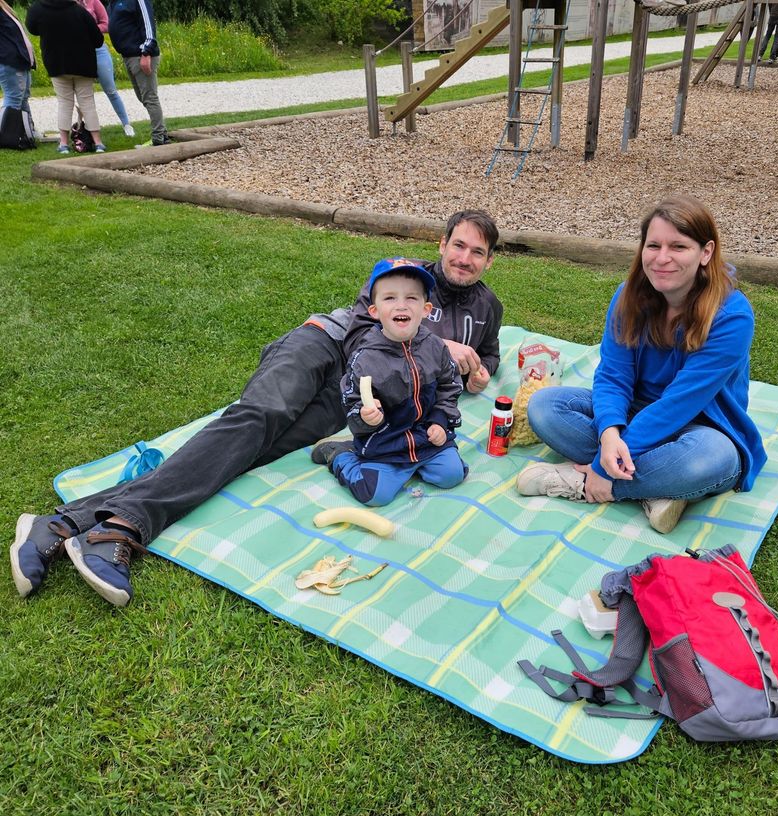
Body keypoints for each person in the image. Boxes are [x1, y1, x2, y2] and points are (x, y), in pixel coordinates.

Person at [10, 210, 502, 606]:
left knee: (255, 449)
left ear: (489, 261)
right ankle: (119, 527)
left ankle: (63, 523)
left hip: (350, 400)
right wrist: (429, 342)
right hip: (327, 348)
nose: (465, 258)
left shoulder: (488, 309)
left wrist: (477, 371)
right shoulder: (403, 276)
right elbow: (358, 333)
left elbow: (488, 358)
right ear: (442, 244)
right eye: (458, 245)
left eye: (477, 252)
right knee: (260, 417)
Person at [516, 196, 767, 535]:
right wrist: (609, 433)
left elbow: (678, 404)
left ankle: (582, 482)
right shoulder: (628, 296)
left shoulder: (732, 316)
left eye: (678, 246)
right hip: (633, 414)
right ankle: (659, 489)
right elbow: (613, 375)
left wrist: (601, 470)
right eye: (654, 245)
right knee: (545, 406)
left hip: (701, 425)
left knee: (714, 457)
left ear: (706, 252)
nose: (662, 258)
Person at [313, 259, 467, 506]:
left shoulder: (436, 347)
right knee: (375, 495)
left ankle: (414, 466)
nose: (401, 305)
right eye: (390, 298)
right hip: (386, 444)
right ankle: (340, 455)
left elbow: (450, 386)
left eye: (411, 298)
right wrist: (365, 417)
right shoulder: (365, 359)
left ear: (426, 309)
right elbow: (351, 401)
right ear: (374, 311)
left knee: (453, 474)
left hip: (427, 438)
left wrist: (440, 421)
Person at [26, 0, 106, 154]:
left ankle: (63, 143)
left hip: (56, 63)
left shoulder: (37, 9)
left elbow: (32, 29)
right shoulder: (80, 11)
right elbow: (98, 40)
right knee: (87, 102)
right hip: (83, 64)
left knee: (64, 103)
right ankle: (98, 143)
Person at [107, 0, 168, 145]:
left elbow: (148, 26)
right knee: (142, 97)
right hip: (128, 56)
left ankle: (158, 138)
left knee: (149, 97)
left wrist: (146, 52)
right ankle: (163, 133)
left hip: (141, 55)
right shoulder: (113, 3)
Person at [80, 0, 134, 136]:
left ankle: (126, 124)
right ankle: (88, 129)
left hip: (98, 50)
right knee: (84, 94)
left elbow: (106, 24)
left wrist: (89, 29)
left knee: (110, 90)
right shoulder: (70, 4)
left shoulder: (94, 2)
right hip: (80, 53)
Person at [0, 0, 37, 141]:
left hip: (21, 60)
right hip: (10, 61)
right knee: (14, 98)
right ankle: (8, 135)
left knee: (23, 97)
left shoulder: (5, 8)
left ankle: (27, 132)